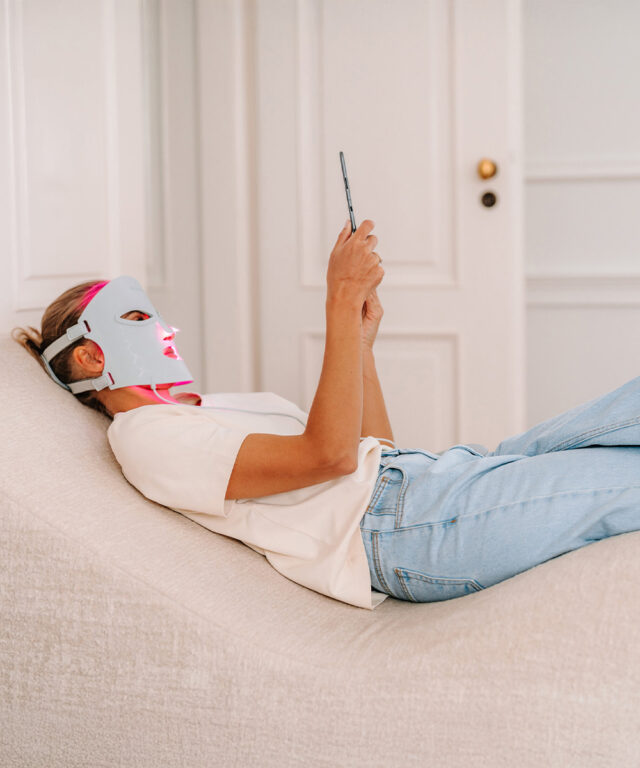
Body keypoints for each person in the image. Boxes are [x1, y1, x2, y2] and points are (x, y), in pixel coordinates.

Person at [12, 219, 640, 609]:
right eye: (137, 319)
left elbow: (373, 450)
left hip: (429, 479)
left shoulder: (207, 411)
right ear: (91, 355)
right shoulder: (147, 439)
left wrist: (360, 343)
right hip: (409, 528)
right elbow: (331, 457)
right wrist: (338, 301)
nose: (165, 329)